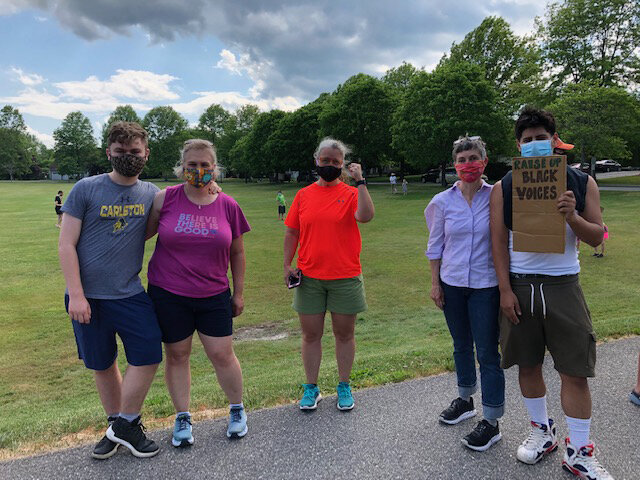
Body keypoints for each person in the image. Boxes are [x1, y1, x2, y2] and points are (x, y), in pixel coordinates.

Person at [490, 107, 612, 479]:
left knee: (575, 371)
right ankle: (542, 432)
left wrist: (572, 216)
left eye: (541, 137)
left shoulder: (582, 182)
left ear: (554, 140)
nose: (534, 144)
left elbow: (597, 237)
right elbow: (497, 242)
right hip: (522, 286)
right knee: (527, 364)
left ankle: (579, 451)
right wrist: (505, 291)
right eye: (527, 140)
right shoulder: (504, 186)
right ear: (518, 145)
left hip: (563, 285)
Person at [58, 121, 162, 459]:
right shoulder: (86, 189)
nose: (128, 157)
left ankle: (123, 425)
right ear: (109, 153)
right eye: (120, 152)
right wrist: (76, 293)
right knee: (102, 363)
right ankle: (118, 425)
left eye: (134, 152)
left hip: (129, 292)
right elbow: (66, 243)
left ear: (146, 153)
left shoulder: (151, 193)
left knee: (148, 353)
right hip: (87, 296)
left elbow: (182, 202)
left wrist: (213, 186)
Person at [146, 139, 251, 447]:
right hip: (168, 292)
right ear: (182, 167)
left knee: (222, 354)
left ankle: (236, 410)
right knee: (177, 355)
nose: (198, 170)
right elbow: (141, 235)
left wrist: (239, 292)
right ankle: (182, 417)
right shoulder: (164, 200)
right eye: (192, 165)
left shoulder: (227, 204)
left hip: (213, 293)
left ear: (214, 168)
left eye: (205, 164)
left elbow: (238, 252)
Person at [425, 135, 505, 451]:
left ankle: (492, 420)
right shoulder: (441, 202)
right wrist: (435, 283)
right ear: (454, 165)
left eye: (473, 158)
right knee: (461, 345)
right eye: (462, 160)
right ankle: (465, 399)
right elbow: (435, 246)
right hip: (453, 284)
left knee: (487, 352)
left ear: (484, 162)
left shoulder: (497, 196)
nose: (467, 165)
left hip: (486, 286)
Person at [283, 137, 374, 411]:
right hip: (309, 276)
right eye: (326, 161)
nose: (330, 165)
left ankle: (344, 386)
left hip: (345, 276)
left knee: (344, 334)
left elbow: (367, 216)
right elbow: (292, 232)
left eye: (336, 162)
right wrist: (287, 264)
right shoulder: (303, 195)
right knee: (311, 335)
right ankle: (311, 388)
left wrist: (360, 182)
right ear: (316, 161)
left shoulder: (350, 193)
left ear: (343, 165)